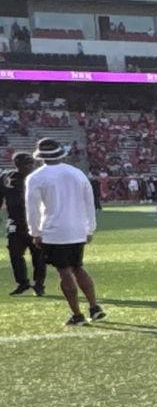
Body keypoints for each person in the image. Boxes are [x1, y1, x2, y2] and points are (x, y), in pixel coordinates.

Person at [23, 139, 104, 325]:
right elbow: (89, 202)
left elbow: (33, 209)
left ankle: (77, 315)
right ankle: (94, 307)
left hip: (55, 231)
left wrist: (35, 232)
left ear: (41, 156)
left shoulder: (35, 177)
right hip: (77, 229)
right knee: (78, 267)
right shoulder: (77, 173)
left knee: (64, 272)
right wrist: (90, 228)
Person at [6, 150, 46, 297]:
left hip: (36, 222)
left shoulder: (38, 178)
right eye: (26, 164)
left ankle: (39, 284)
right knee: (14, 253)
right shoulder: (7, 178)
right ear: (17, 164)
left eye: (31, 163)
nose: (30, 166)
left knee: (38, 255)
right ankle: (22, 282)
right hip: (15, 222)